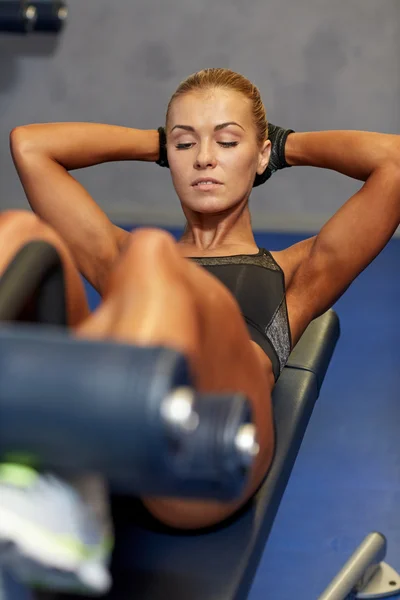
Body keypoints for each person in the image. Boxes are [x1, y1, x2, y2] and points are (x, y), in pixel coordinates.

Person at [1, 67, 399, 588]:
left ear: (259, 156)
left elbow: (393, 162)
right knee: (19, 233)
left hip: (204, 453)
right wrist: (157, 143)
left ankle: (77, 469)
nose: (205, 158)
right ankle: (75, 455)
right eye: (185, 144)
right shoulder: (122, 256)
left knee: (149, 251)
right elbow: (30, 146)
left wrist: (282, 146)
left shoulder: (293, 273)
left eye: (228, 141)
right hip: (117, 422)